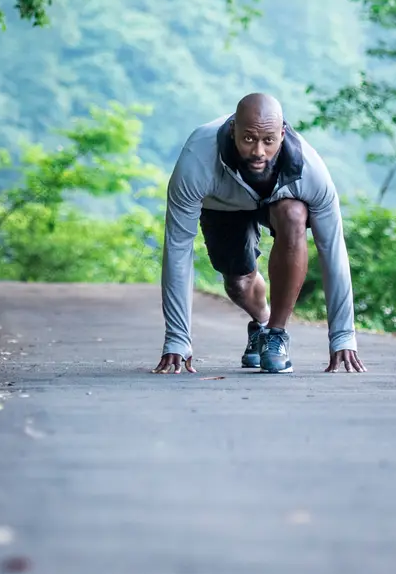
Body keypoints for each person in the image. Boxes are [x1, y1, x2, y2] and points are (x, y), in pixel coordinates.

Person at [154, 92, 362, 375]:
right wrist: (178, 339)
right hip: (223, 204)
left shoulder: (310, 171)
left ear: (282, 134)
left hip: (280, 200)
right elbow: (178, 249)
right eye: (249, 139)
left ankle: (276, 334)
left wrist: (343, 336)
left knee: (293, 214)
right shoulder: (197, 161)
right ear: (233, 130)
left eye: (269, 140)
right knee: (238, 285)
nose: (258, 152)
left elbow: (333, 251)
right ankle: (262, 323)